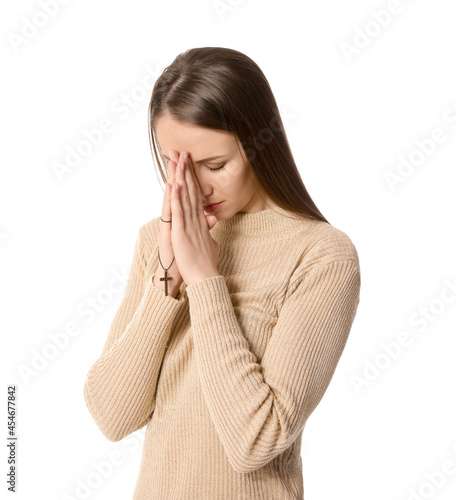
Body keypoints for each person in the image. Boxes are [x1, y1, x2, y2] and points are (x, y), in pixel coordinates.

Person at [83, 47, 361, 500]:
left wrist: (205, 279)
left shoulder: (321, 256)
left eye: (215, 166)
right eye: (180, 169)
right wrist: (168, 280)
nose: (199, 187)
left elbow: (255, 443)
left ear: (259, 144)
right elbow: (112, 416)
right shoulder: (156, 239)